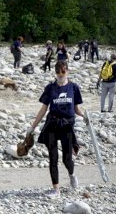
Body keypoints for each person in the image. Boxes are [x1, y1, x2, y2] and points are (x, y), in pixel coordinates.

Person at [27, 61, 85, 199]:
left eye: (63, 72)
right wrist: (32, 127)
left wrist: (85, 116)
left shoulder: (73, 88)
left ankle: (71, 174)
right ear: (55, 72)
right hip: (52, 124)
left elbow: (76, 109)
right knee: (53, 157)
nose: (60, 75)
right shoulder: (50, 88)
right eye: (58, 72)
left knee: (67, 158)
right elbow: (43, 109)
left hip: (67, 126)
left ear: (67, 72)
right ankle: (56, 189)